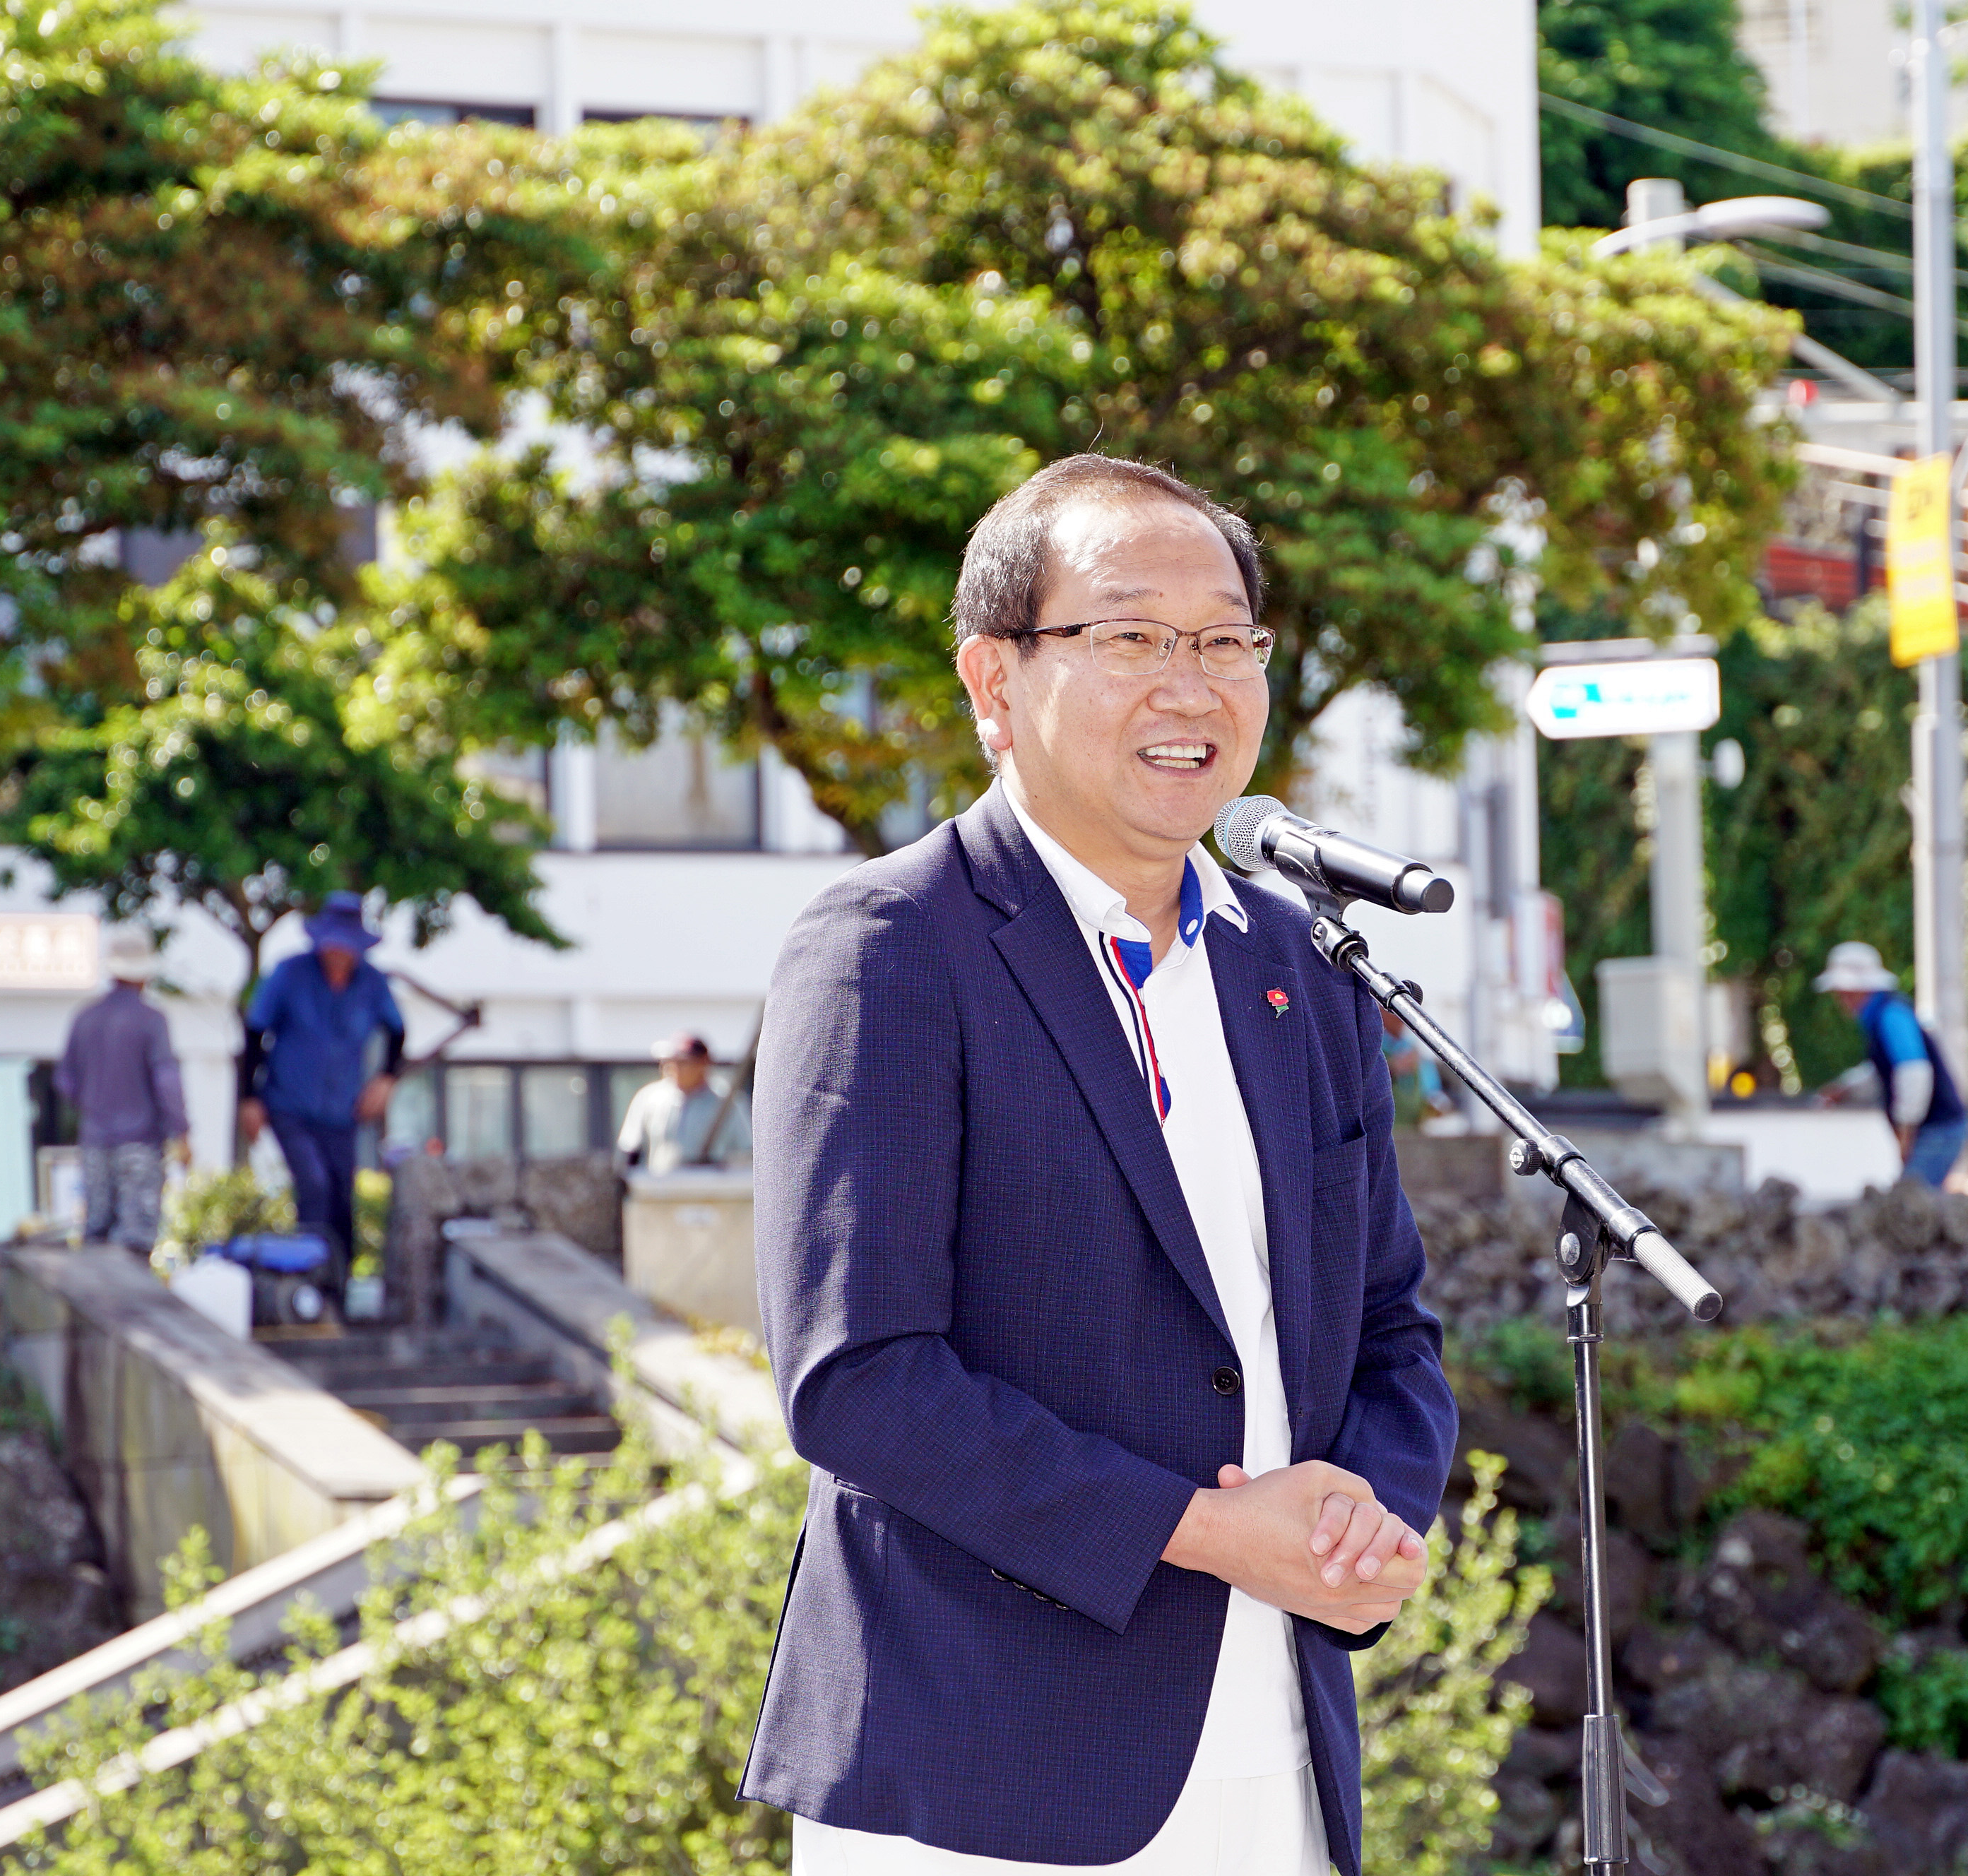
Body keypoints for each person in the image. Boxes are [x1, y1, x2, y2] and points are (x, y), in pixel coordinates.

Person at [742, 455, 1457, 1876]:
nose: (1190, 684)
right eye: (1129, 635)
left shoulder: (1300, 967)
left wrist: (1369, 1526)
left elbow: (1390, 1325)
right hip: (979, 1776)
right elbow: (857, 1377)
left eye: (1227, 640)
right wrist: (1202, 1529)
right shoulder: (890, 949)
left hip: (1282, 1761)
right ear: (993, 681)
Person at [239, 893, 404, 1263]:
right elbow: (254, 1033)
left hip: (343, 1110)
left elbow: (397, 1032)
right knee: (314, 1184)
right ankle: (312, 1277)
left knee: (343, 1193)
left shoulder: (372, 983)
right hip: (289, 1103)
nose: (338, 955)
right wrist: (249, 1098)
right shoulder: (289, 973)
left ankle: (340, 1289)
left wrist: (386, 1080)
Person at [55, 927, 190, 1251]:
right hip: (140, 1143)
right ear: (144, 975)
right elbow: (166, 1080)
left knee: (96, 1234)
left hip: (95, 1143)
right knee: (135, 1241)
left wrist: (90, 1105)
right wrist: (181, 1132)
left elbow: (64, 1080)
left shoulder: (85, 1018)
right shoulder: (151, 1020)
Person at [1813, 940, 1968, 1186]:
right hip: (1937, 1128)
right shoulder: (1882, 1014)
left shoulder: (1891, 1015)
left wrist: (1906, 1132)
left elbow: (1914, 1072)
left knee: (1911, 1204)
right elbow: (1883, 1070)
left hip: (1938, 1129)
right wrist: (1846, 1088)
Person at [617, 1031, 747, 1172]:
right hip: (660, 1189)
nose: (673, 1067)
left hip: (710, 1189)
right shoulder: (649, 1098)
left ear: (703, 1063)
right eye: (669, 1061)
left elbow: (747, 1153)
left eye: (682, 1061)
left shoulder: (728, 1102)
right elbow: (630, 1150)